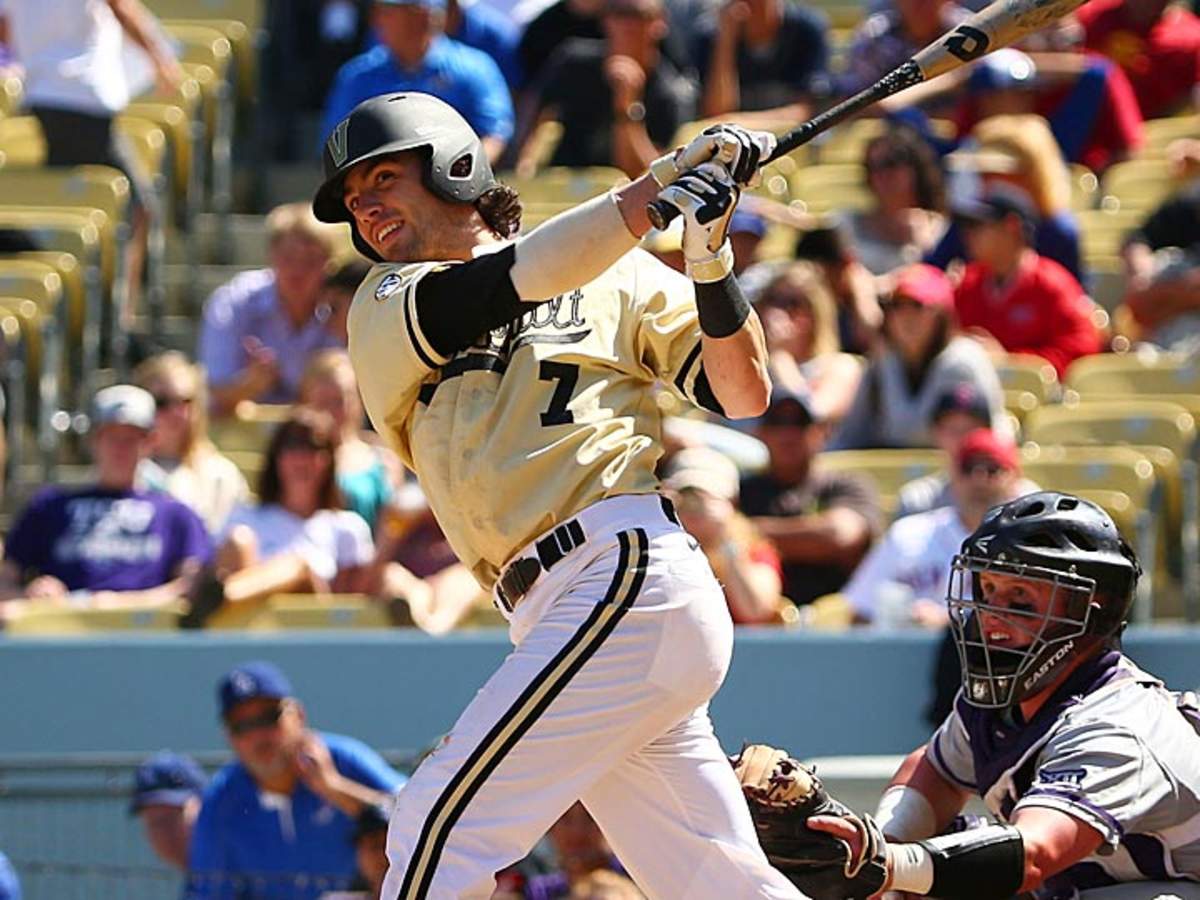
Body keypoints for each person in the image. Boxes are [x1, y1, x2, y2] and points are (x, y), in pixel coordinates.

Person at [311, 90, 801, 896]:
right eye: (355, 202)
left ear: (452, 166)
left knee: (437, 823)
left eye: (384, 180)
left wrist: (711, 260)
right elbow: (505, 281)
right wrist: (650, 196)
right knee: (718, 882)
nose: (366, 209)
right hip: (558, 607)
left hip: (622, 571)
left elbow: (743, 393)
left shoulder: (620, 272)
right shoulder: (383, 302)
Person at [801, 492, 1200, 900]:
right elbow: (934, 769)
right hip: (1102, 877)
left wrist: (888, 866)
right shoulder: (1006, 694)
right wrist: (883, 843)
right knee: (944, 856)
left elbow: (1034, 855)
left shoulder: (1117, 727)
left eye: (1020, 598)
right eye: (988, 589)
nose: (992, 614)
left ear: (1090, 609)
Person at [0, 0, 181, 317]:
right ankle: (118, 320)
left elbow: (5, 28)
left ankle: (90, 316)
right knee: (137, 208)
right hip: (82, 100)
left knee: (75, 215)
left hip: (40, 97)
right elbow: (121, 7)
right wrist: (158, 56)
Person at [186, 661, 406, 900]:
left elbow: (422, 818)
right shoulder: (221, 799)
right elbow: (208, 893)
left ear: (298, 716)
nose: (258, 735)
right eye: (242, 726)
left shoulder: (342, 759)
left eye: (269, 717)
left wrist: (335, 787)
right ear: (228, 736)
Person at [0, 385, 211, 614]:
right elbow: (5, 583)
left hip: (146, 633)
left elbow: (192, 587)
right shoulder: (49, 506)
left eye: (131, 439)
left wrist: (118, 605)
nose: (120, 449)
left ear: (151, 442)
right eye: (111, 437)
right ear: (93, 441)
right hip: (63, 631)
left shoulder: (175, 514)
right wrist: (31, 595)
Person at [194, 409, 375, 624]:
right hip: (248, 628)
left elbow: (349, 605)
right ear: (276, 457)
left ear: (329, 460)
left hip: (312, 631)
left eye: (313, 447)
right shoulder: (245, 516)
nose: (302, 458)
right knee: (238, 541)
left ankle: (224, 596)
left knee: (300, 569)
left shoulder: (347, 527)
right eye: (292, 447)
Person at [842, 427, 1023, 628]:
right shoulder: (908, 534)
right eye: (968, 468)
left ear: (1015, 477)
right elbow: (860, 612)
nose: (978, 479)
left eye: (992, 469)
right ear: (953, 476)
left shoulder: (1028, 545)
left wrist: (948, 622)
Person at [830, 263, 1006, 450]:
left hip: (965, 475)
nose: (906, 317)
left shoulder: (962, 362)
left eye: (918, 306)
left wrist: (889, 367)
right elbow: (850, 435)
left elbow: (910, 432)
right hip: (891, 477)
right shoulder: (881, 364)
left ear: (941, 314)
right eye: (896, 306)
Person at [198, 203, 346, 415]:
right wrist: (252, 384)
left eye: (310, 260)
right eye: (288, 258)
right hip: (241, 435)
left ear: (330, 265)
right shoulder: (234, 302)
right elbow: (212, 393)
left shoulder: (343, 311)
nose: (298, 270)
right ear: (271, 257)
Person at [320, 0, 514, 161]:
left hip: (456, 188)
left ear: (425, 15)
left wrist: (457, 176)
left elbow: (495, 134)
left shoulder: (475, 67)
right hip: (376, 187)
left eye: (392, 11)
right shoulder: (357, 75)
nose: (378, 20)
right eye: (380, 12)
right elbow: (337, 143)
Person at [740, 388, 881, 609]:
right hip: (763, 622)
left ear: (822, 431)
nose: (787, 434)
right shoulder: (743, 490)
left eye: (799, 422)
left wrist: (748, 533)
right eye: (777, 422)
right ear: (760, 433)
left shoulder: (847, 484)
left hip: (837, 623)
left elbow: (841, 535)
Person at [522, 0, 696, 178]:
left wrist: (627, 105)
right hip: (563, 189)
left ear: (659, 23)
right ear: (605, 20)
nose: (628, 25)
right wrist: (523, 166)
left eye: (639, 15)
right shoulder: (573, 63)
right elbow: (532, 115)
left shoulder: (670, 92)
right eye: (619, 14)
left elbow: (650, 177)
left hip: (625, 199)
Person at [953, 184, 1102, 379]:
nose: (968, 235)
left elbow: (1081, 351)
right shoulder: (967, 284)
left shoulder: (1053, 284)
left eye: (977, 226)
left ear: (1011, 226)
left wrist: (1009, 362)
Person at [931, 114, 1084, 283]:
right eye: (984, 172)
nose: (989, 180)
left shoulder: (1059, 232)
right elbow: (931, 270)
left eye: (1001, 173)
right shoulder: (971, 222)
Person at [663, 447, 790, 624]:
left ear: (730, 503)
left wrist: (725, 540)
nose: (694, 507)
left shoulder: (755, 550)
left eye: (706, 497)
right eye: (687, 495)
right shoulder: (655, 546)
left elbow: (756, 611)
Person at [134, 352, 249, 534]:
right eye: (162, 402)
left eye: (185, 402)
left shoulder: (221, 476)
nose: (175, 412)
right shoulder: (123, 470)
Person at [896, 381, 1037, 519]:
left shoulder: (1026, 498)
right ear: (935, 433)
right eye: (953, 430)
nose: (962, 438)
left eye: (971, 429)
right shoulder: (918, 500)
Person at [299, 349, 401, 533]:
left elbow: (394, 523)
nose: (331, 412)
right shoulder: (295, 457)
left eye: (339, 401)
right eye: (322, 403)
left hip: (376, 555)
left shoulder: (383, 456)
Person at [755, 261, 862, 422]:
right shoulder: (749, 368)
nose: (777, 312)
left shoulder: (841, 367)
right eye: (772, 300)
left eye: (792, 303)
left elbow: (812, 414)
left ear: (815, 312)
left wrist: (780, 355)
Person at [691, 0, 830, 119]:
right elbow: (717, 113)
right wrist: (726, 41)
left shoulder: (805, 30)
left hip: (791, 141)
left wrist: (742, 122)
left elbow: (807, 110)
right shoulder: (711, 39)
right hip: (734, 145)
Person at [842, 125, 948, 277]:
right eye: (874, 167)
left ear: (915, 167)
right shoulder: (847, 225)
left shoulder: (940, 229)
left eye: (891, 163)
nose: (882, 174)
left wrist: (921, 245)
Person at [1078, 0, 1200, 120]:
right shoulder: (1090, 15)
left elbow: (1190, 104)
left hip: (1153, 129)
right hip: (1086, 122)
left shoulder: (1191, 40)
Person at [129, 751, 207, 871]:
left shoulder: (237, 864)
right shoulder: (200, 878)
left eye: (173, 817)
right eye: (154, 823)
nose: (166, 833)